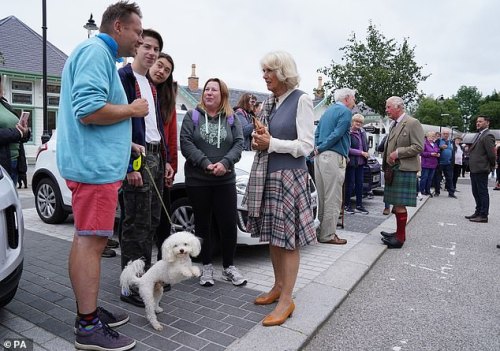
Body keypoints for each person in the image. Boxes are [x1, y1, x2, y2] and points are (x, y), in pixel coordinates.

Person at [56, 2, 146, 350]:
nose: (139, 40)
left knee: (85, 240)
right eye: (137, 32)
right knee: (92, 244)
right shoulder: (96, 52)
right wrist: (133, 110)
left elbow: (95, 111)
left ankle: (88, 311)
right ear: (119, 27)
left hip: (93, 164)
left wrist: (128, 145)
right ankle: (88, 326)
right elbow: (89, 110)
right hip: (93, 169)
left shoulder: (96, 54)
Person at [244, 51, 316, 327]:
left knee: (288, 241)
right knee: (274, 237)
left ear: (282, 72)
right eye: (263, 71)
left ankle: (287, 299)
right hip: (270, 175)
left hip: (289, 176)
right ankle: (277, 287)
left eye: (268, 71)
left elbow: (306, 147)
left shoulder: (302, 100)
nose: (264, 76)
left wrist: (271, 143)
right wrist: (259, 138)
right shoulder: (272, 102)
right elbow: (269, 139)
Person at [118, 29, 175, 307]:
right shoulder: (124, 78)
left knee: (151, 222)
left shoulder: (152, 85)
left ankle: (146, 280)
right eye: (147, 47)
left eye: (156, 49)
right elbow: (121, 125)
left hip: (155, 158)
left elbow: (155, 129)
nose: (152, 53)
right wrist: (131, 166)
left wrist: (165, 161)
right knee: (135, 224)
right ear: (137, 47)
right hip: (137, 159)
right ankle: (129, 286)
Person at [180, 78, 246, 288]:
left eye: (213, 90)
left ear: (222, 95)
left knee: (227, 223)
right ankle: (206, 266)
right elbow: (186, 143)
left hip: (225, 180)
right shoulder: (193, 116)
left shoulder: (231, 118)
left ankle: (229, 267)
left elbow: (239, 143)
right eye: (206, 89)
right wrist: (206, 163)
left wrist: (225, 163)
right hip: (198, 180)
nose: (209, 93)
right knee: (203, 224)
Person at [380, 96, 424, 249]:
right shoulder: (395, 124)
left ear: (398, 107)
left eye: (388, 107)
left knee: (399, 205)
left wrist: (398, 153)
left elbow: (419, 147)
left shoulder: (412, 123)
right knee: (396, 204)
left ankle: (400, 238)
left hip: (404, 169)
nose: (386, 110)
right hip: (394, 169)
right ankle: (398, 233)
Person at [314, 88, 356, 245]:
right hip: (333, 156)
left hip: (320, 157)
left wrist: (318, 147)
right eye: (353, 98)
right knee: (333, 197)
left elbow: (317, 132)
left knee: (322, 196)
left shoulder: (328, 111)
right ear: (346, 98)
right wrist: (323, 146)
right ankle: (328, 235)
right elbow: (338, 134)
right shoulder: (345, 112)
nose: (354, 102)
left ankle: (319, 232)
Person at [149, 52, 178, 261]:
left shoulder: (168, 100)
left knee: (163, 222)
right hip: (140, 162)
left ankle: (163, 265)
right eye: (160, 66)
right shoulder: (137, 88)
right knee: (138, 222)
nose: (162, 72)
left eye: (167, 70)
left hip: (162, 164)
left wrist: (171, 167)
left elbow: (171, 138)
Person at [465, 116, 496, 223]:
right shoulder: (479, 135)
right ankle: (478, 211)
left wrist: (491, 166)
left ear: (487, 123)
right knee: (476, 192)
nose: (477, 123)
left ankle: (483, 215)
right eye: (477, 121)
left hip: (481, 168)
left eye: (480, 121)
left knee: (482, 192)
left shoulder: (488, 135)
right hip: (475, 168)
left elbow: (492, 154)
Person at [0, 75, 31, 182]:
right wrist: (18, 133)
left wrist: (25, 131)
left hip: (14, 163)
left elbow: (20, 135)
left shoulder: (5, 104)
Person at [344, 113, 369, 214]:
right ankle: (346, 205)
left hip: (361, 163)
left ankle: (359, 205)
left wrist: (366, 152)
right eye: (356, 121)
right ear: (352, 122)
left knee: (360, 184)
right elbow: (347, 149)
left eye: (360, 122)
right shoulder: (348, 133)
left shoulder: (362, 133)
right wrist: (361, 153)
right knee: (350, 184)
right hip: (351, 163)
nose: (358, 124)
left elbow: (364, 146)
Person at [435, 129, 457, 198]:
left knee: (450, 178)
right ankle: (437, 192)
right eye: (444, 133)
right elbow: (435, 149)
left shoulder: (451, 142)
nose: (445, 135)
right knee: (438, 178)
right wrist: (440, 148)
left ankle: (451, 192)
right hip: (440, 162)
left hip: (449, 163)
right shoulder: (438, 141)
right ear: (442, 134)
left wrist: (453, 161)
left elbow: (453, 151)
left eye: (447, 133)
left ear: (449, 134)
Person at [419, 131, 440, 196]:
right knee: (424, 178)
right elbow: (421, 153)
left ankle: (428, 191)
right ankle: (422, 191)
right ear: (427, 137)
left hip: (433, 164)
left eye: (433, 136)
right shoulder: (424, 143)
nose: (432, 138)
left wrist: (438, 154)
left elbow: (438, 150)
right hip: (426, 164)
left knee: (430, 179)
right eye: (430, 136)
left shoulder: (435, 144)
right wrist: (430, 154)